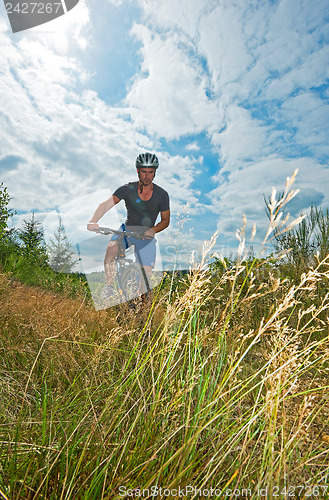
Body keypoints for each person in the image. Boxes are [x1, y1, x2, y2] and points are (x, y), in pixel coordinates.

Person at [87, 152, 170, 301]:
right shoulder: (127, 189)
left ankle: (141, 311)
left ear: (155, 173)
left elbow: (165, 220)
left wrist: (153, 230)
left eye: (150, 172)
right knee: (111, 248)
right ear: (138, 171)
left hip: (146, 235)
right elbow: (106, 204)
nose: (147, 176)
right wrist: (93, 221)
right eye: (144, 172)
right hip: (127, 229)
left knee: (146, 277)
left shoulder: (162, 195)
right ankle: (109, 287)